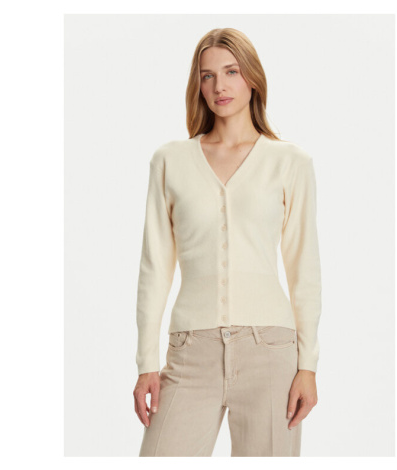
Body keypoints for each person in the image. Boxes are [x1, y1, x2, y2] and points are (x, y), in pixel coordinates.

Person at [133, 27, 322, 457]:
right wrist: (146, 363)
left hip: (270, 352)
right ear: (198, 85)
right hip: (190, 352)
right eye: (208, 75)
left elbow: (304, 269)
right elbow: (154, 269)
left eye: (231, 71)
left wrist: (307, 366)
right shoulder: (170, 161)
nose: (219, 85)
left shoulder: (290, 162)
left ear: (252, 78)